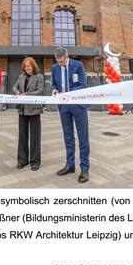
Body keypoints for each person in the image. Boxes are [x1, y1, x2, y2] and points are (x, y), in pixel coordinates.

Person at [51, 47, 90, 183]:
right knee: (68, 136)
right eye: (59, 62)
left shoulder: (78, 65)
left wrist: (68, 94)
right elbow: (54, 84)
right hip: (63, 106)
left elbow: (83, 85)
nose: (61, 64)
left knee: (82, 136)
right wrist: (54, 90)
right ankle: (70, 165)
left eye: (63, 62)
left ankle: (84, 168)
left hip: (78, 105)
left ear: (67, 57)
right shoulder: (55, 67)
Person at [12, 57, 45, 171]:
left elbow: (40, 91)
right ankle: (22, 160)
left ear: (33, 66)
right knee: (22, 135)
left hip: (34, 110)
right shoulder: (21, 76)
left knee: (35, 137)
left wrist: (27, 94)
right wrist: (17, 92)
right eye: (25, 66)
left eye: (29, 66)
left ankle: (35, 161)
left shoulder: (39, 77)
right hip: (22, 110)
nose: (27, 68)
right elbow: (14, 86)